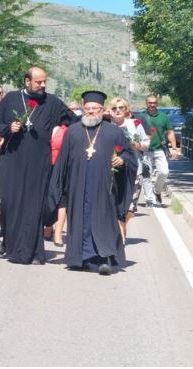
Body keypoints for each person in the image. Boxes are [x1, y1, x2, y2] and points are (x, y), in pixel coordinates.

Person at [0, 67, 77, 263]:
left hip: (39, 162)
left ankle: (34, 251)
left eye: (44, 81)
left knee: (34, 205)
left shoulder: (52, 101)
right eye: (39, 82)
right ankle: (8, 244)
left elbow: (73, 121)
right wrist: (7, 128)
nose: (43, 85)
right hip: (12, 160)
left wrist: (96, 122)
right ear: (27, 81)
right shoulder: (11, 98)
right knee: (10, 204)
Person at [49, 91, 129, 275]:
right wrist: (58, 185)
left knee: (102, 219)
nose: (91, 112)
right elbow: (62, 160)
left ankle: (104, 258)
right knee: (80, 218)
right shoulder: (73, 131)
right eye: (87, 109)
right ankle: (79, 259)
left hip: (103, 186)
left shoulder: (113, 132)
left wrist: (122, 160)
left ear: (102, 110)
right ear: (82, 109)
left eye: (95, 109)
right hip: (77, 185)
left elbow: (127, 154)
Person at [108, 97, 149, 241]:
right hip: (112, 172)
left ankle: (122, 223)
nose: (118, 110)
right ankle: (118, 227)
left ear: (127, 110)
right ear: (110, 111)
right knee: (114, 202)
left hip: (133, 170)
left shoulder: (134, 124)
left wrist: (138, 146)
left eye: (121, 108)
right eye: (114, 108)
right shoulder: (106, 126)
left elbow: (146, 142)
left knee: (130, 205)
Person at [138, 95, 179, 207]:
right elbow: (134, 132)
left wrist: (174, 149)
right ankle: (149, 200)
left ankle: (157, 192)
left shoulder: (163, 117)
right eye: (150, 103)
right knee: (146, 175)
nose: (152, 105)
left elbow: (170, 132)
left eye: (154, 103)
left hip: (159, 149)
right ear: (146, 103)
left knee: (164, 172)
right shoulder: (140, 117)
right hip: (145, 150)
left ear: (157, 103)